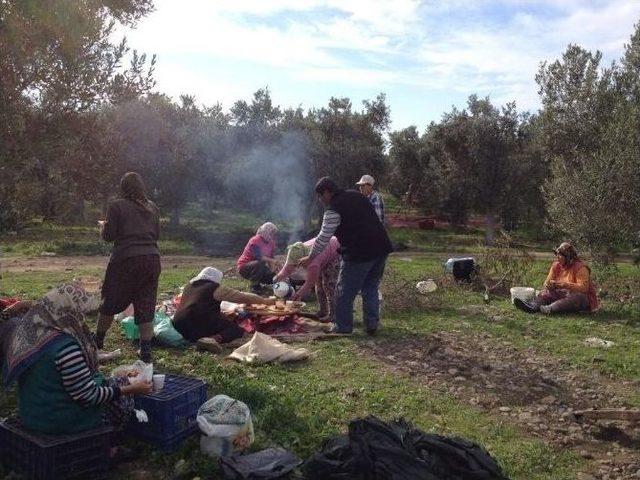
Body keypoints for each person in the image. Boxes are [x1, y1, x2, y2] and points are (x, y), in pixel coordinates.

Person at [1, 283, 152, 437]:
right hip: (58, 421)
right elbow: (88, 397)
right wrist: (132, 389)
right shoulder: (66, 348)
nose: (82, 318)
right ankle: (111, 444)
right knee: (122, 396)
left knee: (116, 382)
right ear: (70, 313)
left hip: (31, 415)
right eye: (79, 312)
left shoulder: (33, 337)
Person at [299, 177, 393, 335]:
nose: (320, 200)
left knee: (344, 291)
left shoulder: (334, 209)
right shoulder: (356, 196)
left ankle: (342, 327)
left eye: (320, 195)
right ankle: (371, 324)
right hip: (381, 248)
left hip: (359, 252)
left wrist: (310, 258)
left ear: (328, 192)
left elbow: (323, 238)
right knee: (370, 287)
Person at [96, 172, 161, 363]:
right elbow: (156, 235)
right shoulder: (152, 207)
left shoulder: (117, 206)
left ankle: (97, 342)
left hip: (126, 259)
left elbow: (109, 236)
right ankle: (145, 350)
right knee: (146, 303)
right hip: (151, 259)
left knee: (110, 299)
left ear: (123, 188)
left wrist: (102, 226)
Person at [172, 267, 276, 347]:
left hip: (178, 325)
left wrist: (222, 315)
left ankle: (200, 338)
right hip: (195, 323)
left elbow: (201, 306)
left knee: (217, 322)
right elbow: (243, 297)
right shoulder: (214, 288)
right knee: (236, 330)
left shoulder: (189, 286)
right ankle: (213, 340)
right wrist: (264, 301)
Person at [514, 242, 599, 315]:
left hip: (581, 298)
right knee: (545, 292)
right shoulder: (556, 265)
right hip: (562, 293)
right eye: (557, 254)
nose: (557, 257)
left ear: (568, 257)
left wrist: (564, 285)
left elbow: (584, 288)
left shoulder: (580, 268)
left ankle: (550, 308)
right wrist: (548, 285)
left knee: (577, 296)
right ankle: (532, 306)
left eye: (560, 255)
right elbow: (547, 282)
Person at [274, 236, 340, 321]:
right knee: (319, 285)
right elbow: (287, 268)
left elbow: (309, 283)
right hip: (323, 251)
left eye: (299, 263)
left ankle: (333, 315)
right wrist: (277, 277)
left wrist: (297, 295)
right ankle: (323, 311)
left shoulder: (313, 262)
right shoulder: (296, 250)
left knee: (328, 286)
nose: (297, 265)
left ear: (304, 259)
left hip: (335, 251)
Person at [237, 222, 279, 294]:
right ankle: (254, 286)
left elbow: (271, 259)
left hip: (259, 267)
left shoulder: (271, 243)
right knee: (259, 264)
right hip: (245, 267)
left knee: (273, 278)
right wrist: (273, 261)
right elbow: (259, 257)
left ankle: (268, 285)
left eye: (273, 234)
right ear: (265, 231)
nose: (272, 235)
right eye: (271, 233)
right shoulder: (255, 240)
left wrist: (273, 272)